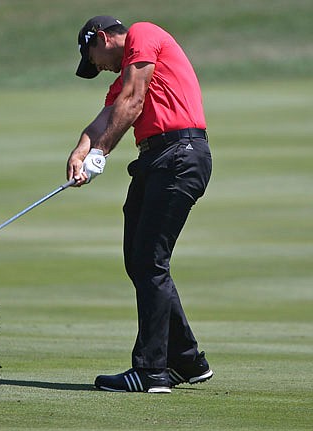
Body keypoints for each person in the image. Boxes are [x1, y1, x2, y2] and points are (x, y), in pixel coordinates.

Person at [67, 16, 214, 393]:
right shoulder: (121, 79)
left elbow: (133, 102)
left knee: (150, 260)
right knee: (138, 258)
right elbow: (107, 116)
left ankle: (152, 371)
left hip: (179, 155)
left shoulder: (143, 34)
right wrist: (83, 147)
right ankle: (187, 361)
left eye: (93, 57)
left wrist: (101, 153)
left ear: (102, 38)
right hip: (155, 161)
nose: (97, 67)